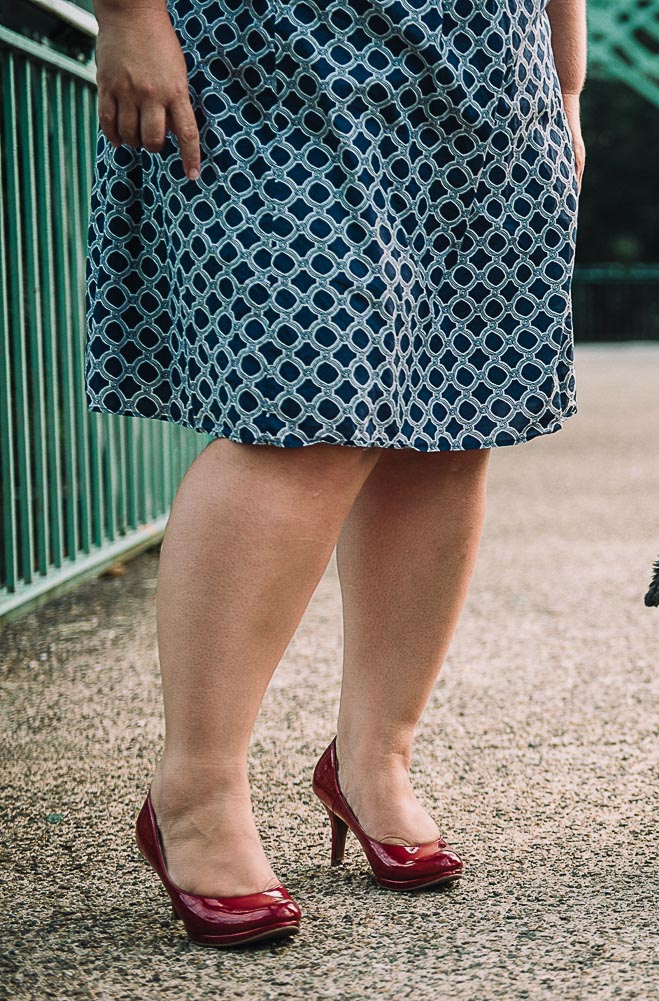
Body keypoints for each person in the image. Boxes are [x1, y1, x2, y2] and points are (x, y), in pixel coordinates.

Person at [88, 0, 585, 947]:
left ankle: (374, 759)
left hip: (492, 74)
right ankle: (193, 791)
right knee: (299, 410)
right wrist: (127, 14)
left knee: (451, 421)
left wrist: (565, 84)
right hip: (282, 52)